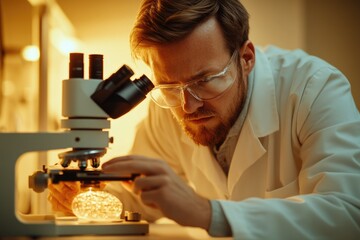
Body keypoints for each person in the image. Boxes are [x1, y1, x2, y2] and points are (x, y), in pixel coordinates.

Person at [48, 0, 360, 239]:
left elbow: (349, 214)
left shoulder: (313, 88)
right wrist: (93, 197)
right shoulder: (167, 106)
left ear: (246, 58)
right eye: (169, 85)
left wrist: (206, 212)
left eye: (205, 79)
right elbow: (141, 200)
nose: (187, 105)